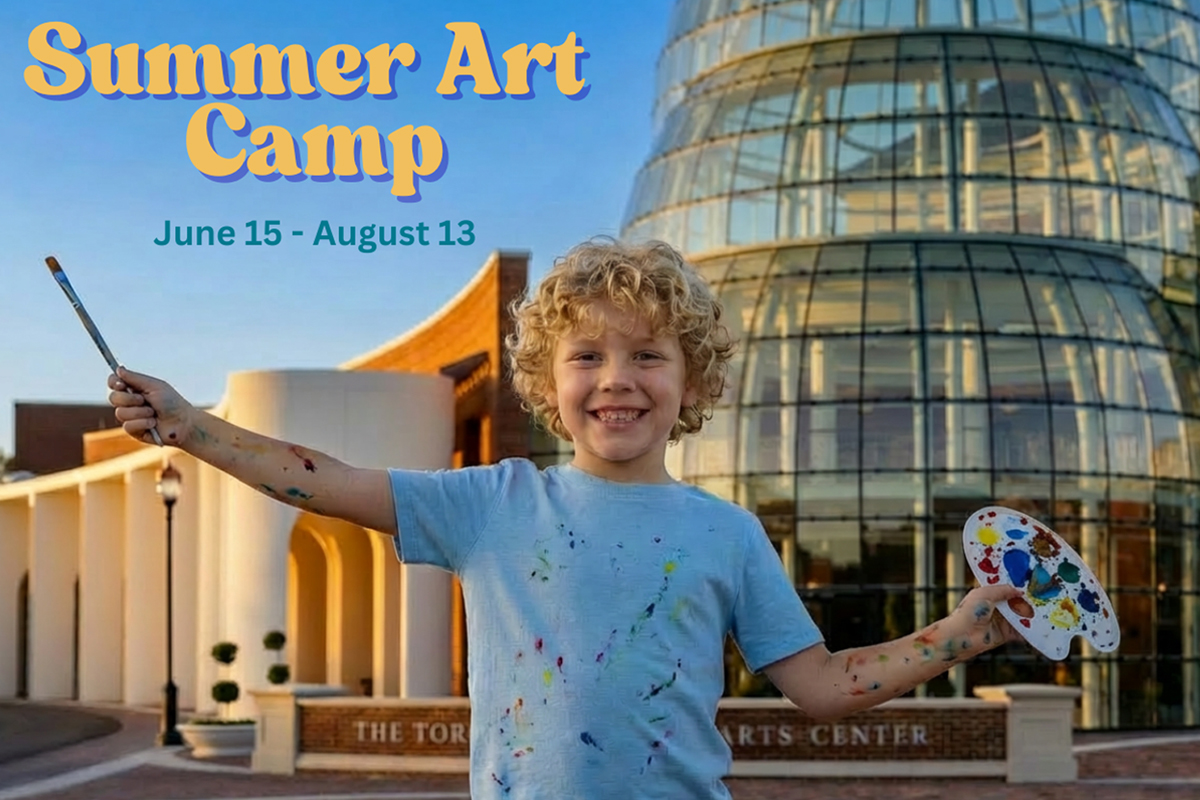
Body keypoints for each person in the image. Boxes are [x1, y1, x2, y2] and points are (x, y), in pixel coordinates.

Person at [108, 238, 1019, 799]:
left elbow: (819, 687)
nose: (617, 377)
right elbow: (324, 477)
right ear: (548, 384)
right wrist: (193, 428)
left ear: (693, 382)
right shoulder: (489, 502)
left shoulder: (729, 534)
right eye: (587, 354)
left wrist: (960, 632)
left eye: (648, 354)